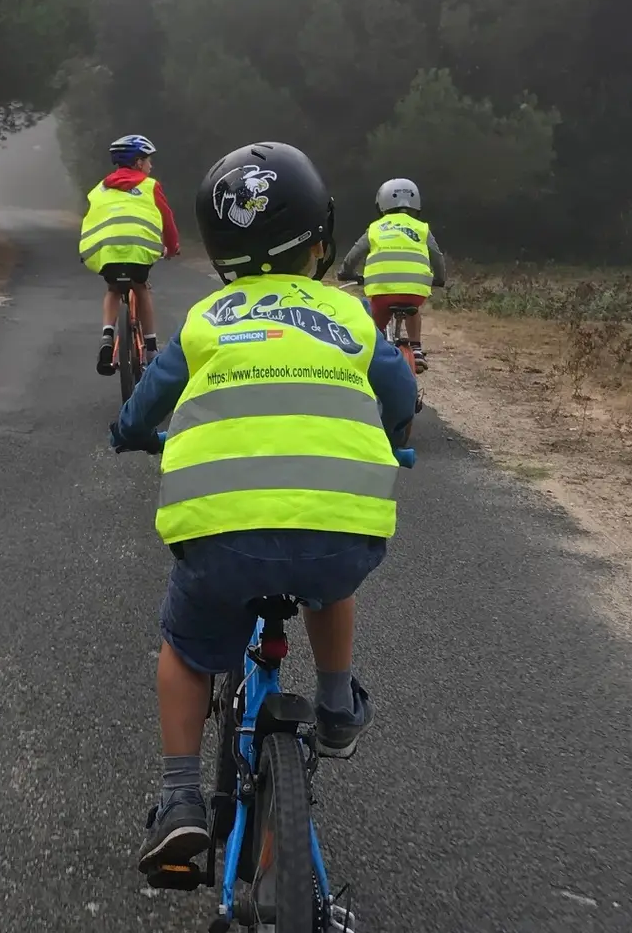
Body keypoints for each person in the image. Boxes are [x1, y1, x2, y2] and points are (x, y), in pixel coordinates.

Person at [110, 142, 416, 875]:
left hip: (221, 537)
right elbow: (399, 395)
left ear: (219, 252)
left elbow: (152, 394)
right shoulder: (347, 314)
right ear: (321, 240)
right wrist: (395, 440)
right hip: (341, 528)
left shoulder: (209, 317)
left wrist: (130, 432)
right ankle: (337, 705)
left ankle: (181, 800)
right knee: (329, 580)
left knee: (186, 648)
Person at [80, 134, 180, 374]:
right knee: (140, 287)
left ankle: (107, 336)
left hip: (107, 251)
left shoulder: (100, 189)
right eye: (147, 160)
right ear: (137, 163)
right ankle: (152, 348)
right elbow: (167, 221)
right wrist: (172, 247)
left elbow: (93, 219)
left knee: (113, 289)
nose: (150, 165)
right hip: (137, 251)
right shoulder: (150, 186)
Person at [335, 178, 446, 371]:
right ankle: (417, 349)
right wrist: (439, 278)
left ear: (382, 202)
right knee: (413, 309)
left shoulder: (376, 228)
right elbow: (437, 256)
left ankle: (373, 354)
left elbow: (354, 255)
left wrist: (346, 273)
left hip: (382, 292)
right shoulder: (421, 228)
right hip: (415, 291)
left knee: (374, 329)